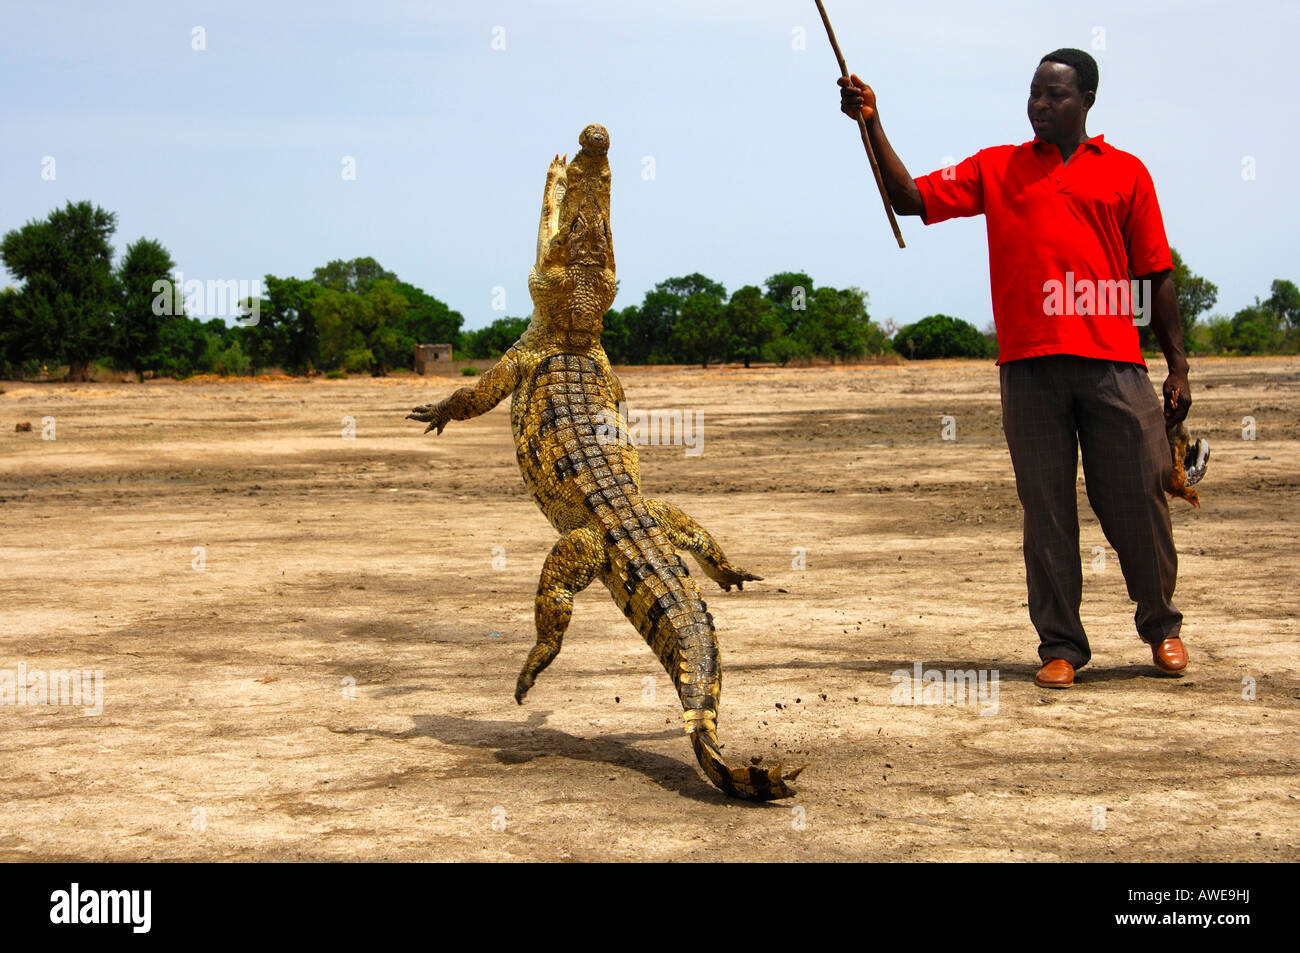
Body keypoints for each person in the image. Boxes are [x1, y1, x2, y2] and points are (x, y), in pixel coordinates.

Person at [838, 48, 1190, 687]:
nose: (1039, 105)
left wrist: (1179, 367)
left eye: (1054, 95)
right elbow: (910, 196)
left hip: (1115, 364)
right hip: (1028, 369)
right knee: (1046, 510)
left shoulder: (1127, 173)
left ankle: (1161, 627)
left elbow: (1156, 274)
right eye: (1033, 94)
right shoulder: (996, 168)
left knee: (1138, 498)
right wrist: (871, 122)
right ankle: (1060, 646)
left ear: (1085, 101)